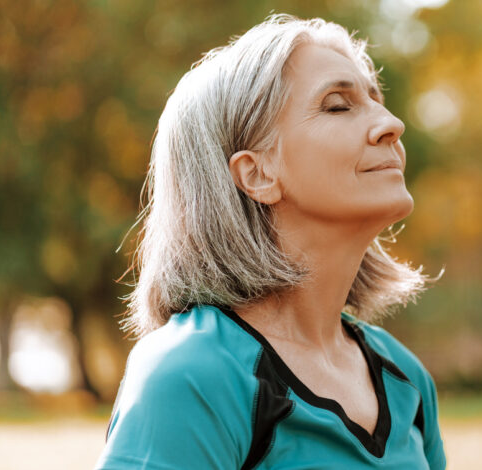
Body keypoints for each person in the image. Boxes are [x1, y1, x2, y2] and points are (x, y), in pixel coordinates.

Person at [94, 14, 446, 470]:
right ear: (257, 174)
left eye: (377, 100)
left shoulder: (406, 376)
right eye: (339, 105)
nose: (391, 124)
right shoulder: (189, 374)